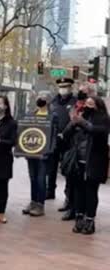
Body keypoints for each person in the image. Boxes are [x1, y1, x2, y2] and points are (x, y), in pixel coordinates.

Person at [63, 96, 109, 235]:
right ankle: (79, 218)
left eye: (91, 103)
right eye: (86, 103)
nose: (87, 106)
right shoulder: (81, 117)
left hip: (94, 161)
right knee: (78, 191)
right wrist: (73, 123)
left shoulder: (104, 119)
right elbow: (66, 135)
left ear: (98, 106)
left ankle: (90, 220)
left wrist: (81, 121)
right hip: (78, 161)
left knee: (91, 192)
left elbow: (96, 131)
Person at [22, 92, 57, 217]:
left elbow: (53, 136)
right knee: (32, 178)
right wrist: (23, 149)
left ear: (48, 101)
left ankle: (40, 205)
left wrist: (49, 151)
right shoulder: (31, 114)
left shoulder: (53, 116)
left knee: (41, 179)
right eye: (38, 97)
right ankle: (33, 201)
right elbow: (25, 132)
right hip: (31, 152)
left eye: (42, 98)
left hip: (44, 154)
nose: (39, 99)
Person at [48, 78, 77, 220]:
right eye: (61, 86)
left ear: (71, 87)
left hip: (69, 141)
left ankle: (68, 198)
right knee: (51, 167)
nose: (63, 89)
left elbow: (75, 120)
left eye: (66, 87)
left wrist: (64, 133)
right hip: (54, 140)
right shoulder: (53, 101)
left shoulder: (75, 101)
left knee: (68, 170)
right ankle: (49, 191)